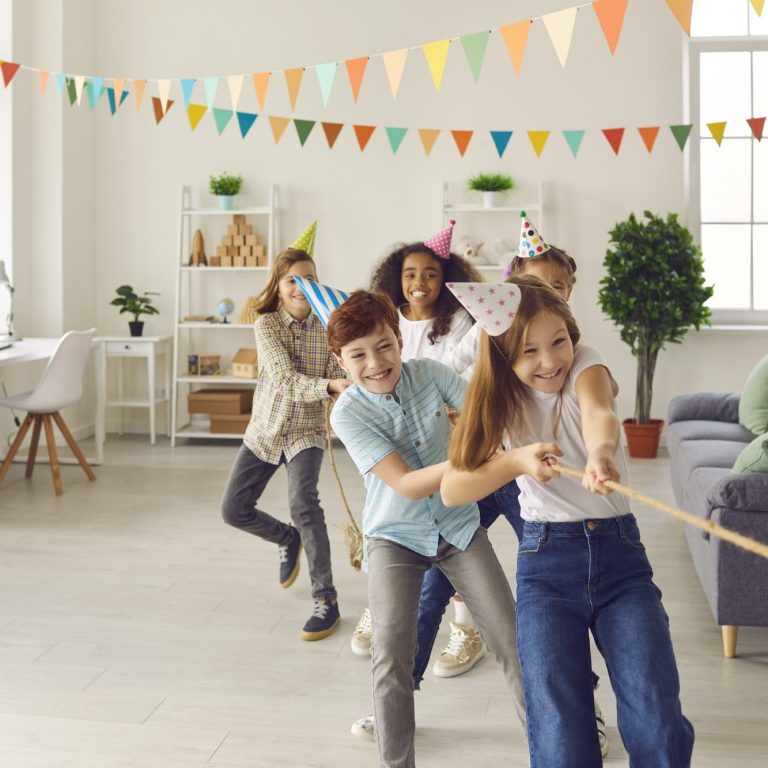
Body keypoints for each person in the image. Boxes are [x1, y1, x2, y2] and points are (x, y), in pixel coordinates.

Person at [441, 275, 695, 768]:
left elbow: (599, 413)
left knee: (656, 717)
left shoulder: (587, 362)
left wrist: (601, 454)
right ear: (504, 356)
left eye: (558, 341)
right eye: (529, 351)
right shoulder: (496, 398)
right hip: (546, 567)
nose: (550, 360)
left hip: (621, 560)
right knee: (559, 728)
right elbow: (453, 488)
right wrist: (517, 462)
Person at [327, 289, 549, 768]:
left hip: (459, 527)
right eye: (358, 355)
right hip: (394, 537)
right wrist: (471, 456)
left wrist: (479, 430)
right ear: (341, 361)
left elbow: (485, 415)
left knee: (513, 642)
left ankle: (551, 753)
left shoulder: (429, 373)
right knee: (391, 655)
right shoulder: (347, 413)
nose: (376, 363)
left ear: (399, 340)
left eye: (384, 346)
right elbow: (407, 483)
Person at [350, 221, 480, 666]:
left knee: (456, 532)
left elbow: (461, 373)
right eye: (410, 274)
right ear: (396, 278)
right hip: (395, 436)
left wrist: (444, 404)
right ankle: (381, 605)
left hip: (444, 436)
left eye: (430, 273)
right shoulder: (387, 318)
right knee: (390, 523)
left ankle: (465, 626)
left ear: (446, 279)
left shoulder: (458, 322)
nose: (419, 282)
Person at [220, 246, 350, 641]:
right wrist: (329, 386)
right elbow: (282, 379)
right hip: (265, 429)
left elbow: (340, 373)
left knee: (304, 504)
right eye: (292, 279)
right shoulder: (266, 325)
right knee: (233, 510)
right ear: (277, 286)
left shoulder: (329, 327)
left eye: (309, 279)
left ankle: (326, 599)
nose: (301, 287)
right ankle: (285, 537)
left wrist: (344, 387)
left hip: (306, 432)